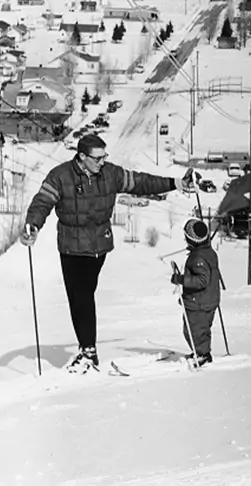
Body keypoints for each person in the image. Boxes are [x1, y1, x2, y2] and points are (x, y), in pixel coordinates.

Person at [20, 134, 194, 373]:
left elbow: (141, 182)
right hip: (72, 248)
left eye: (104, 157)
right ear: (82, 157)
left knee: (83, 295)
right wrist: (33, 225)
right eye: (97, 157)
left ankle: (88, 351)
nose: (102, 161)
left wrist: (176, 183)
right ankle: (88, 350)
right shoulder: (60, 176)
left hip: (99, 247)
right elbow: (42, 201)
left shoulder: (110, 174)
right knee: (81, 296)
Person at [171, 218, 220, 367]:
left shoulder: (198, 257)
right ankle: (200, 351)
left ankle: (203, 354)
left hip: (199, 302)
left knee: (195, 330)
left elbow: (202, 280)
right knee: (200, 329)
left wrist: (181, 279)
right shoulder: (208, 252)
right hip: (207, 300)